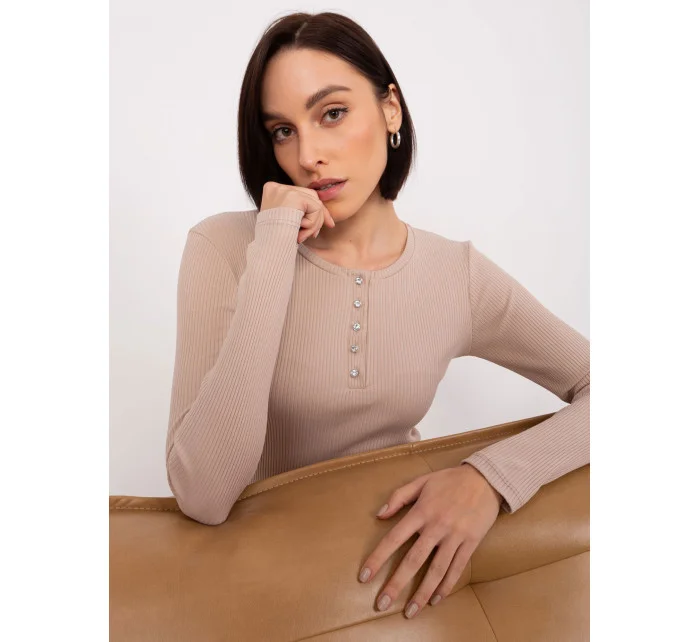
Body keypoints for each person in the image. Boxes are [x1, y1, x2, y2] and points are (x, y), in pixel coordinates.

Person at [164, 13, 589, 615]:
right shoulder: (225, 248)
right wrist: (274, 242)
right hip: (268, 585)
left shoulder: (456, 274)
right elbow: (204, 495)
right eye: (282, 131)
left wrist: (490, 479)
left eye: (332, 113)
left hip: (403, 583)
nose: (308, 155)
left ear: (390, 109)